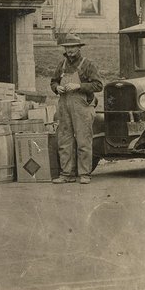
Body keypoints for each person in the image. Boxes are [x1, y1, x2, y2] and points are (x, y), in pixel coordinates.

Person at [50, 33, 104, 185]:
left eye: (73, 47)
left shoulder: (88, 64)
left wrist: (79, 86)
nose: (70, 50)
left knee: (83, 141)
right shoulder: (61, 64)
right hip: (64, 105)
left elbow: (98, 85)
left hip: (82, 107)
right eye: (67, 47)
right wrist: (56, 88)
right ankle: (67, 174)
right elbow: (53, 81)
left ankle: (84, 174)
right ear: (65, 49)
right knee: (64, 140)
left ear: (79, 48)